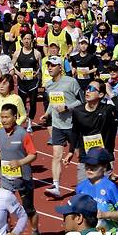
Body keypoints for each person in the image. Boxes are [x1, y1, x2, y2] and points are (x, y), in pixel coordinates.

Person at [0, 103, 42, 235]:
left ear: (15, 117)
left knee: (29, 210)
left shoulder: (22, 134)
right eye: (2, 117)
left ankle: (35, 234)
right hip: (6, 178)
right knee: (3, 209)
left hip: (23, 178)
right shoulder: (0, 133)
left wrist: (20, 162)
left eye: (7, 117)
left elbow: (33, 154)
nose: (4, 120)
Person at [63, 79, 118, 182]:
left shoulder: (107, 110)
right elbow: (75, 131)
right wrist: (71, 151)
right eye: (87, 88)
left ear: (101, 94)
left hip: (103, 159)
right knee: (83, 192)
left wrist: (110, 93)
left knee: (102, 194)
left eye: (92, 89)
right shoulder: (78, 111)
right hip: (86, 158)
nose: (87, 91)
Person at [40, 55, 83, 198]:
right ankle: (56, 186)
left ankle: (86, 183)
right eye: (48, 65)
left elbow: (81, 102)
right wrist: (46, 114)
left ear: (60, 67)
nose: (50, 68)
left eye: (53, 65)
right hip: (57, 125)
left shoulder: (71, 82)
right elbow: (53, 103)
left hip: (73, 125)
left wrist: (67, 107)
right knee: (56, 156)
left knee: (79, 155)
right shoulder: (49, 85)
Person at [75, 148, 118, 233]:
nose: (89, 169)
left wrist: (105, 215)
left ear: (104, 167)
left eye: (94, 166)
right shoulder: (81, 187)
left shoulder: (110, 187)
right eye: (87, 164)